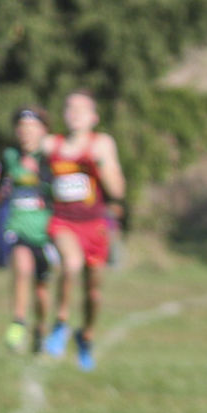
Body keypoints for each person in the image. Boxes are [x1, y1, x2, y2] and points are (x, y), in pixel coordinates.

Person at [41, 91, 125, 371]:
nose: (75, 113)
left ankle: (86, 335)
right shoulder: (52, 144)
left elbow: (117, 191)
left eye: (81, 109)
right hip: (63, 222)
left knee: (94, 294)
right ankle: (61, 323)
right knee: (71, 263)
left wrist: (101, 165)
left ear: (94, 117)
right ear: (64, 115)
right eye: (70, 107)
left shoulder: (101, 144)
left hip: (94, 226)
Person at [1, 108, 54, 353]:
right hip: (19, 226)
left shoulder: (51, 158)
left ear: (43, 130)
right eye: (21, 126)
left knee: (42, 291)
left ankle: (41, 329)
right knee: (23, 269)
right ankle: (18, 322)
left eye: (32, 126)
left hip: (46, 231)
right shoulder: (10, 157)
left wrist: (40, 174)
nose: (25, 131)